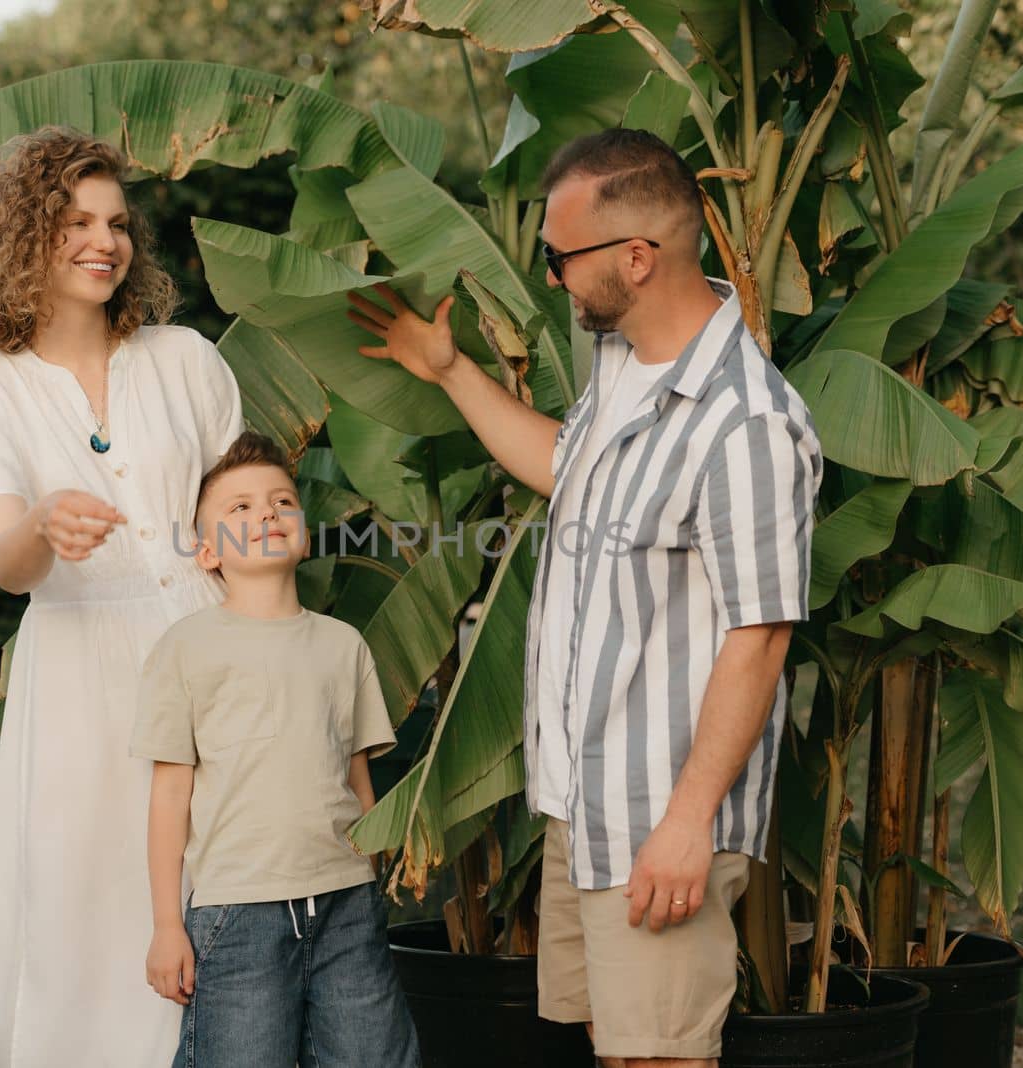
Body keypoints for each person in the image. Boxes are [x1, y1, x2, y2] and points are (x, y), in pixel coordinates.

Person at [347, 128, 821, 1067]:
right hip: (585, 800)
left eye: (562, 258)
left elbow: (760, 638)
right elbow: (560, 469)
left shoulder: (746, 424)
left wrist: (687, 827)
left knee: (661, 1055)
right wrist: (449, 370)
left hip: (660, 811)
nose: (554, 279)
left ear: (637, 258)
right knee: (618, 1046)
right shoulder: (622, 365)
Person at [0, 126, 243, 1068]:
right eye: (75, 222)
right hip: (76, 678)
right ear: (24, 236)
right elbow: (5, 564)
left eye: (116, 222)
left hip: (202, 659)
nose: (105, 241)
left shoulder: (186, 359)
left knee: (208, 893)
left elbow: (240, 523)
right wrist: (43, 525)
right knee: (78, 899)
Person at [130, 431, 421, 1068]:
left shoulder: (344, 645)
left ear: (303, 530)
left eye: (281, 501)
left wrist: (368, 880)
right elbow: (170, 795)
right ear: (207, 553)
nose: (265, 513)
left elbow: (356, 776)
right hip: (239, 914)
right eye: (239, 508)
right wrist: (165, 926)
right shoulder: (187, 648)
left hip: (346, 905)